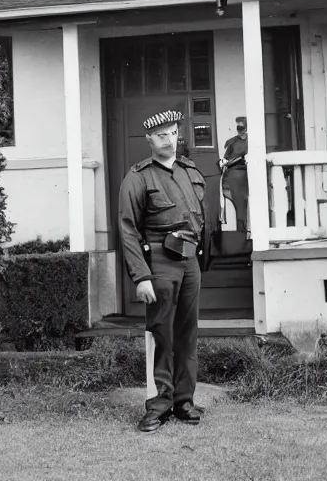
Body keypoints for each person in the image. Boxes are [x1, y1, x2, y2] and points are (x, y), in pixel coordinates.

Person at [118, 109, 206, 433]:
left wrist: (201, 260)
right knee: (163, 336)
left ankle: (184, 401)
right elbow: (128, 229)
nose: (168, 139)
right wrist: (141, 276)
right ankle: (159, 404)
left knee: (188, 334)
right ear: (149, 140)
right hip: (160, 262)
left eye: (172, 132)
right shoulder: (138, 177)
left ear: (178, 133)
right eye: (160, 135)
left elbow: (202, 220)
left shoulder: (190, 170)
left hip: (190, 263)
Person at [220, 117, 249, 233]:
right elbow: (226, 159)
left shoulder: (252, 141)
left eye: (241, 126)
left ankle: (244, 229)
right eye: (238, 127)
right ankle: (241, 230)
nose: (240, 129)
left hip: (246, 174)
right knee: (239, 205)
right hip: (235, 174)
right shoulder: (232, 142)